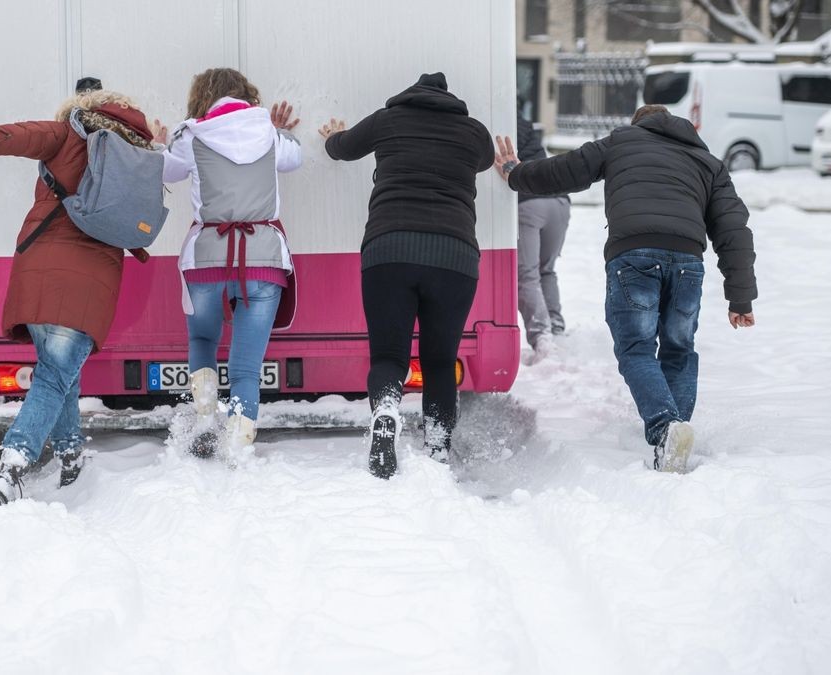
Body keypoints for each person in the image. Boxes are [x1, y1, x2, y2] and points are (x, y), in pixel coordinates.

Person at [494, 104, 757, 472]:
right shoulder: (707, 161)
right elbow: (734, 231)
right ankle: (676, 433)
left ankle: (667, 429)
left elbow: (567, 169)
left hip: (634, 257)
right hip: (687, 264)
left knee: (636, 349)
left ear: (639, 124)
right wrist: (740, 296)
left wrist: (515, 173)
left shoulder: (623, 141)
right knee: (680, 350)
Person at [0, 87, 157, 504]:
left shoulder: (68, 134)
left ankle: (70, 456)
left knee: (59, 373)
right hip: (90, 280)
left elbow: (29, 135)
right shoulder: (139, 159)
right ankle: (13, 465)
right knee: (56, 376)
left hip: (39, 269)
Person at [319, 72, 494, 479]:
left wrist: (333, 135)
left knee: (388, 356)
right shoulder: (473, 132)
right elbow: (485, 161)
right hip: (455, 256)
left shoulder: (387, 120)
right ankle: (437, 447)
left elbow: (342, 149)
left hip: (389, 250)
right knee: (438, 360)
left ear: (408, 95)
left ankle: (385, 410)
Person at [151, 68, 302, 459]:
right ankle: (236, 445)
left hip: (205, 260)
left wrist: (156, 146)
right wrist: (283, 133)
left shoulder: (192, 134)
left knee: (203, 339)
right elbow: (294, 158)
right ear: (245, 95)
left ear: (204, 97)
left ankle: (204, 419)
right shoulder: (267, 132)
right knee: (246, 368)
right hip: (264, 259)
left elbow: (167, 171)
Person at [513, 106, 571, 362]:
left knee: (526, 275)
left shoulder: (497, 122)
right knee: (546, 269)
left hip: (528, 204)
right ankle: (556, 329)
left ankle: (542, 338)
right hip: (559, 201)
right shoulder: (524, 124)